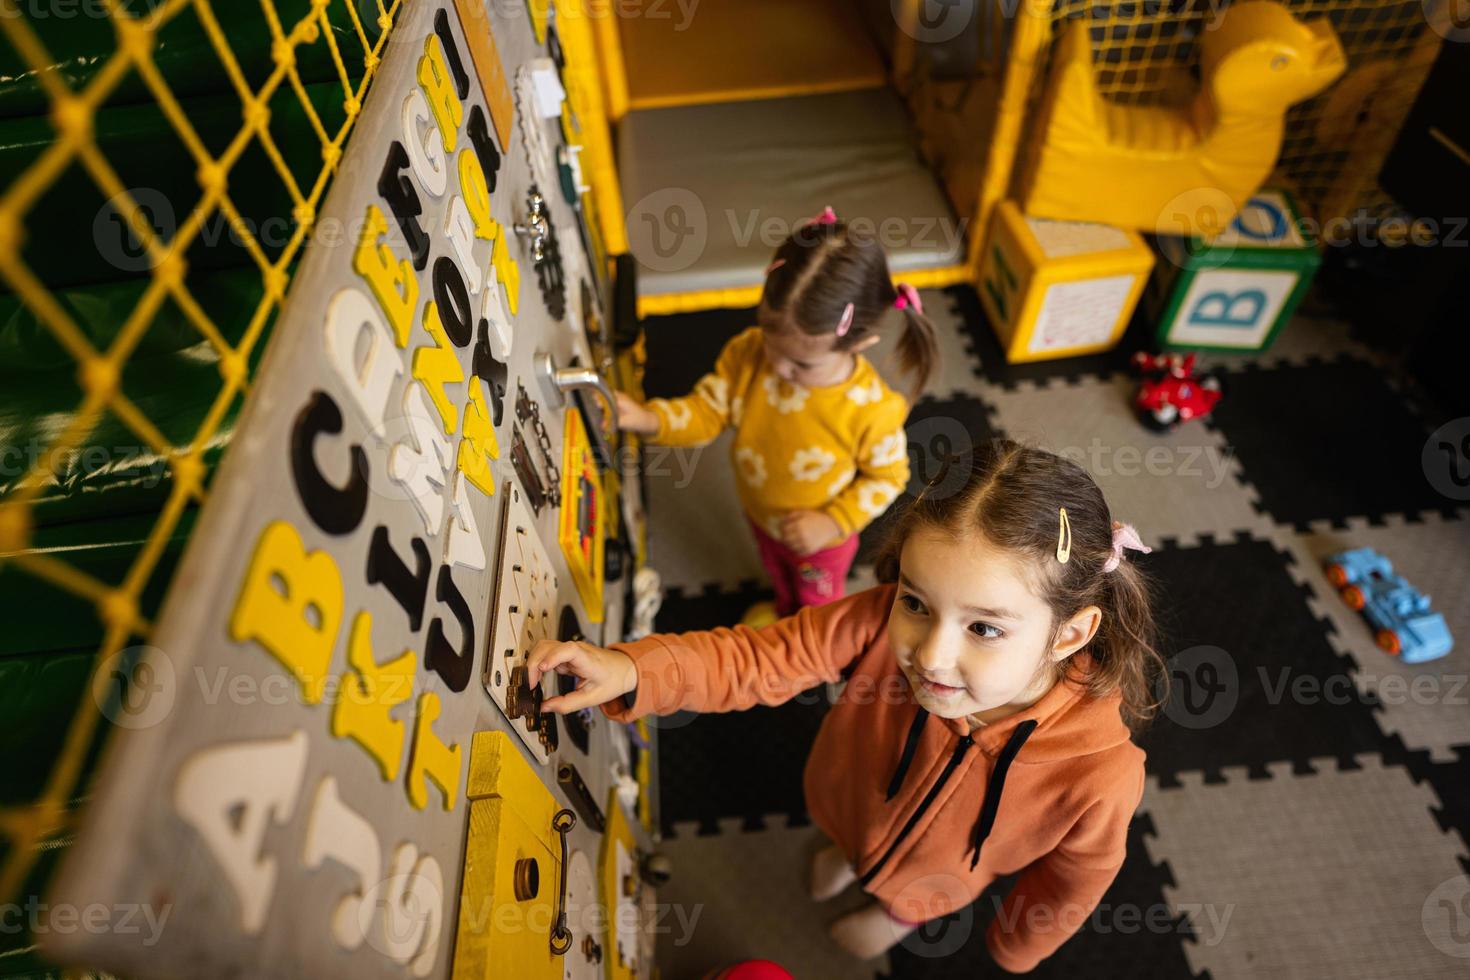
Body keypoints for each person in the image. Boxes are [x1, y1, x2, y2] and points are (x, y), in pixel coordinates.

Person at [528, 441, 1165, 970]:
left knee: (912, 897)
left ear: (1070, 633)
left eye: (984, 629)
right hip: (846, 798)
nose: (931, 656)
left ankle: (891, 916)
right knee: (841, 832)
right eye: (916, 603)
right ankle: (848, 856)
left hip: (937, 880)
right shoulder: (873, 619)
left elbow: (1072, 881)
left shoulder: (1102, 776)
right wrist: (633, 666)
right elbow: (757, 659)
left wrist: (1018, 944)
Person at [615, 206, 937, 616]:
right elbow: (706, 411)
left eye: (801, 364)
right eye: (772, 343)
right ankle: (784, 613)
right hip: (760, 512)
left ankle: (805, 647)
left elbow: (889, 475)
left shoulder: (871, 408)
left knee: (817, 607)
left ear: (858, 343)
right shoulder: (749, 353)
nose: (779, 368)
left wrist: (833, 522)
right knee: (777, 576)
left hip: (823, 541)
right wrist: (647, 419)